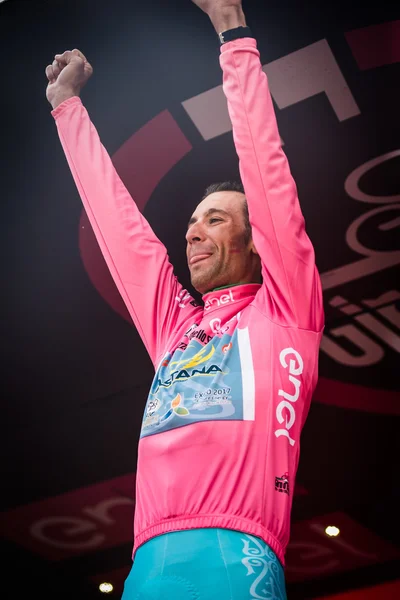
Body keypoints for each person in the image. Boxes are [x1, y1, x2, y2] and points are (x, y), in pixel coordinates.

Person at [45, 0, 324, 598]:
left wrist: (231, 29)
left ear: (257, 245)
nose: (193, 231)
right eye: (193, 221)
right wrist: (66, 110)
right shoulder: (176, 332)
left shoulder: (286, 312)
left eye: (217, 220)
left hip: (236, 561)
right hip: (145, 569)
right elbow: (121, 230)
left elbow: (265, 169)